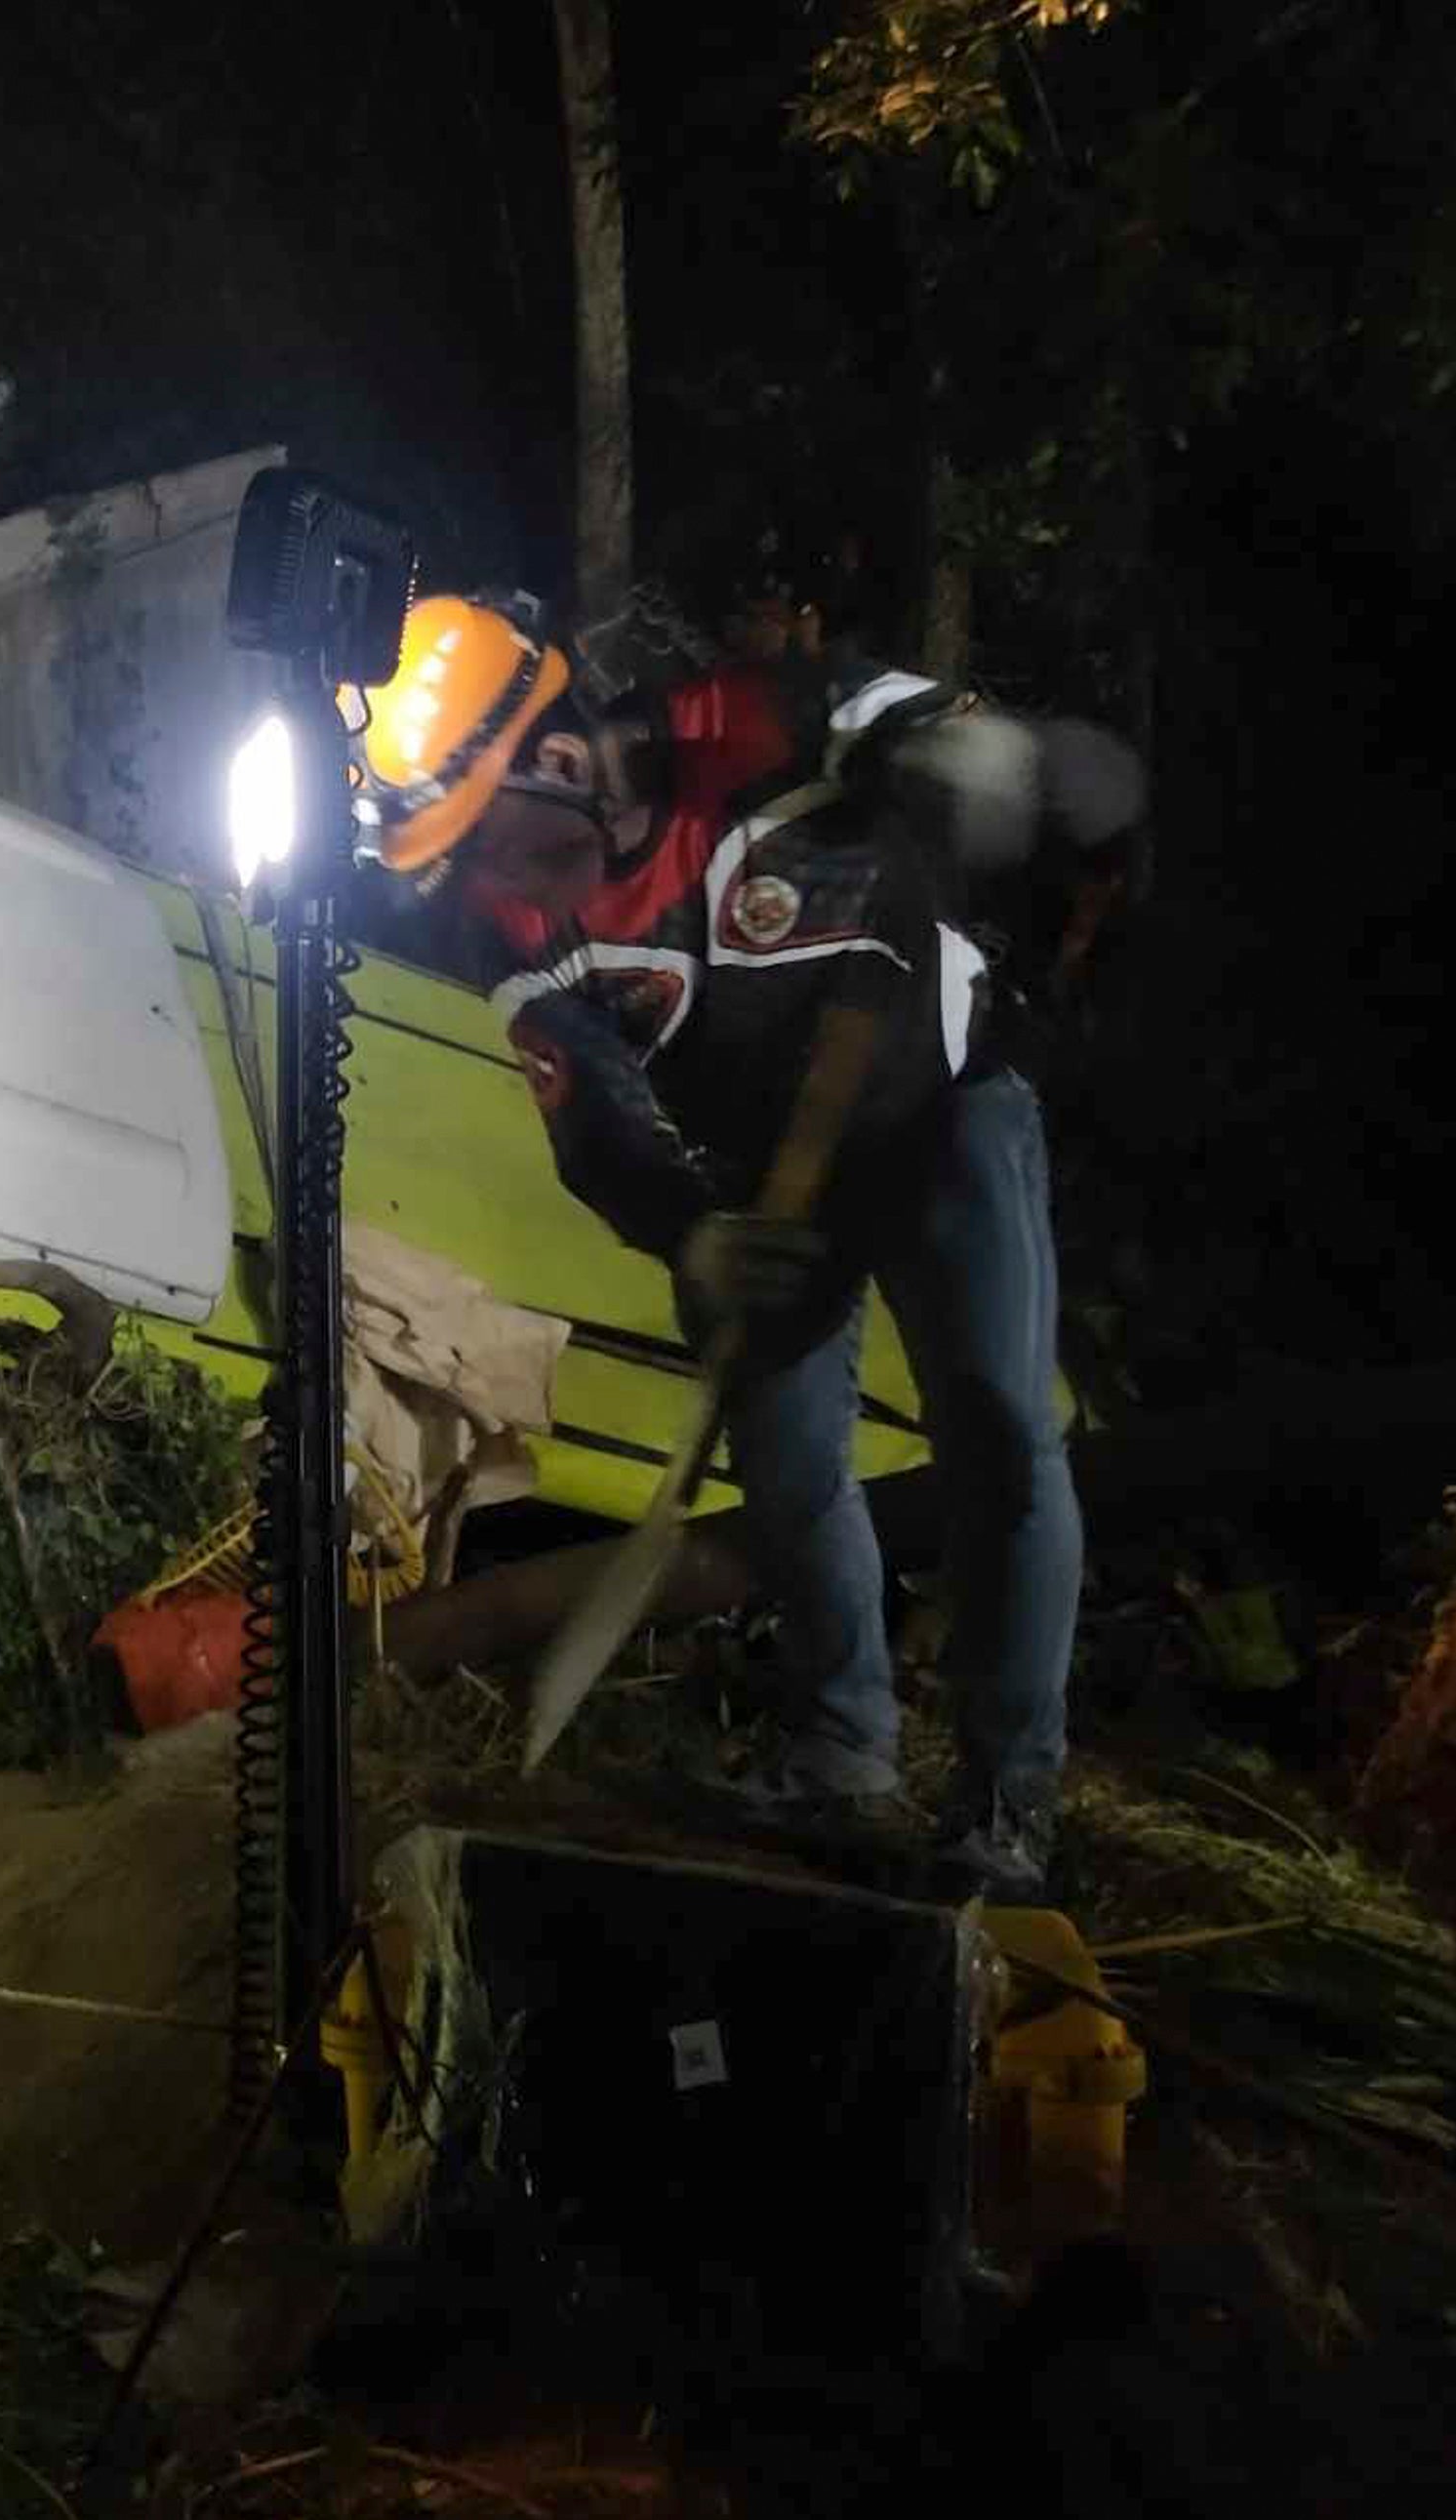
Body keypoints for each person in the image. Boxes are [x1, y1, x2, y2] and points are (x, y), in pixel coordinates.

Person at [344, 587, 1145, 1894]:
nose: (477, 884)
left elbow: (947, 735)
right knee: (784, 1466)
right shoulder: (512, 927)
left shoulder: (746, 724)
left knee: (999, 1424)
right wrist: (694, 1235)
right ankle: (845, 1746)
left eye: (482, 844)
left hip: (946, 1103)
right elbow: (594, 1121)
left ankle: (1009, 1792)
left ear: (559, 765)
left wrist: (977, 765)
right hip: (765, 1180)